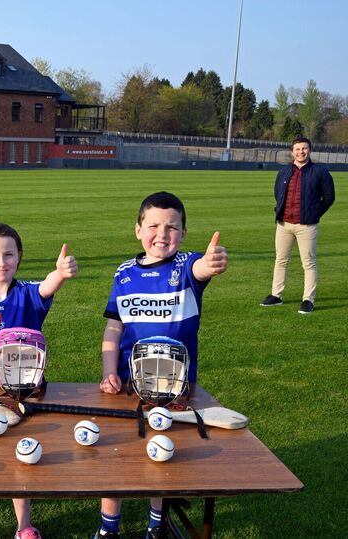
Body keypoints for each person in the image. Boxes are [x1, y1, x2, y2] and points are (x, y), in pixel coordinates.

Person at [95, 191, 228, 539]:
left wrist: (211, 262)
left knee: (163, 452)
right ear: (138, 230)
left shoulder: (187, 265)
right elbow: (114, 328)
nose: (162, 234)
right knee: (117, 453)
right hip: (129, 384)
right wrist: (109, 371)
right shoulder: (124, 273)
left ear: (183, 233)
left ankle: (158, 522)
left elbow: (202, 268)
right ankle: (109, 528)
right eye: (153, 226)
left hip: (175, 387)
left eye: (172, 227)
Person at [0, 222, 78, 539]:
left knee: (21, 453)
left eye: (9, 254)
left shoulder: (27, 295)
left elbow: (46, 287)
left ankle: (23, 525)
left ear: (19, 256)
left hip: (26, 390)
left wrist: (60, 274)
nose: (1, 262)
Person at [260, 136, 335, 314]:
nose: (301, 152)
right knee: (280, 260)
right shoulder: (284, 171)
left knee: (308, 263)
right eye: (298, 149)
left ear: (310, 150)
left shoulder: (320, 171)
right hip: (284, 224)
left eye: (304, 148)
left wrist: (314, 213)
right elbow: (278, 193)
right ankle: (276, 295)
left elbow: (329, 198)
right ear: (292, 152)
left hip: (306, 226)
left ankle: (308, 300)